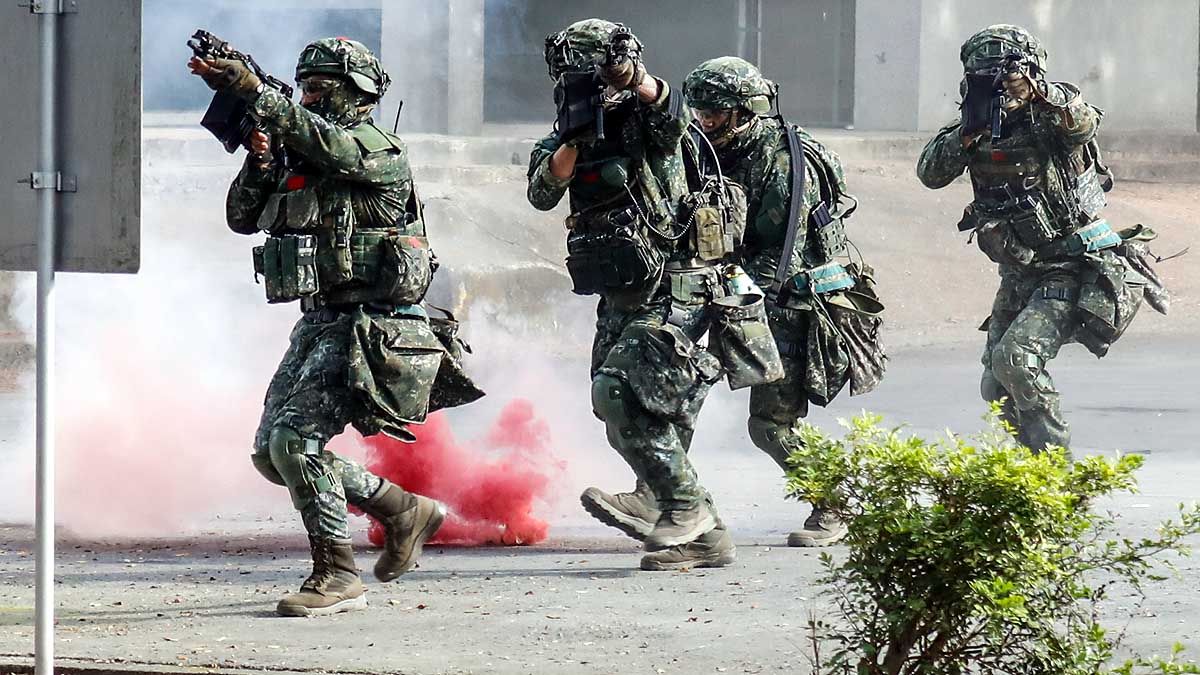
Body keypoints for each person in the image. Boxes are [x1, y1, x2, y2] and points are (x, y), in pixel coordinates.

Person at [189, 37, 482, 616]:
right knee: (271, 454)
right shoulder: (304, 154)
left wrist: (254, 90)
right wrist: (262, 156)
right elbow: (241, 217)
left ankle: (337, 574)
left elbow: (332, 148)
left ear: (357, 93)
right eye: (305, 87)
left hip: (372, 326)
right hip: (320, 322)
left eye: (321, 87)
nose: (309, 97)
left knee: (295, 442)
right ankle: (401, 508)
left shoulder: (374, 148)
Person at [584, 56, 885, 549]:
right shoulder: (710, 148)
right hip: (730, 282)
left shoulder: (783, 161)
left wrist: (726, 305)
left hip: (791, 300)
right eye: (699, 111)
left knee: (770, 426)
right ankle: (661, 494)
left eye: (715, 114)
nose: (703, 122)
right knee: (669, 385)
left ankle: (835, 501)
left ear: (746, 111)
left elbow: (779, 256)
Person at [527, 19, 743, 570]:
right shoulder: (562, 137)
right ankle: (702, 535)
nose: (590, 85)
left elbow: (669, 114)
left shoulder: (650, 125)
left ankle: (682, 505)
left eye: (595, 73)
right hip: (619, 292)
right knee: (627, 414)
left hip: (676, 285)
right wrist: (574, 138)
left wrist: (633, 78)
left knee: (618, 391)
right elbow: (542, 193)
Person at [917, 25, 1168, 453]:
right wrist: (967, 132)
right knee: (995, 386)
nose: (999, 87)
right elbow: (930, 174)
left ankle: (1059, 476)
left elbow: (1082, 123)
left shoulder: (1052, 114)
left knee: (1018, 363)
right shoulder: (973, 126)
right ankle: (1030, 475)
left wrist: (1038, 93)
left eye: (1003, 76)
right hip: (1019, 270)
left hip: (1074, 263)